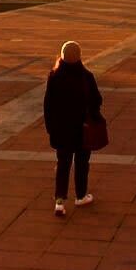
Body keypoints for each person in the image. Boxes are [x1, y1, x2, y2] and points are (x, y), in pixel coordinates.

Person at [43, 40, 102, 217]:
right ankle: (81, 195)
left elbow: (48, 106)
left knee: (63, 164)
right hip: (82, 129)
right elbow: (96, 101)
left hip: (61, 130)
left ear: (61, 56)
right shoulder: (86, 76)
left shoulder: (54, 76)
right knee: (82, 163)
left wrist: (50, 128)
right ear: (79, 57)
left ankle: (59, 202)